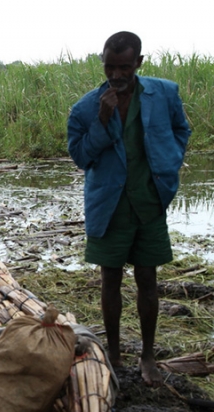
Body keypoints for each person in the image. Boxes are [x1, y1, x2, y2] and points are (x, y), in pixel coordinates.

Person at [68, 31, 191, 386]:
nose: (116, 75)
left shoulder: (163, 93)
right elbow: (81, 156)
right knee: (110, 279)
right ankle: (116, 354)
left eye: (124, 67)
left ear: (138, 62)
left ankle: (148, 356)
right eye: (110, 67)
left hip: (149, 202)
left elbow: (181, 130)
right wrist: (103, 120)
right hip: (109, 205)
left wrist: (168, 163)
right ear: (103, 62)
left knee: (148, 278)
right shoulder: (85, 108)